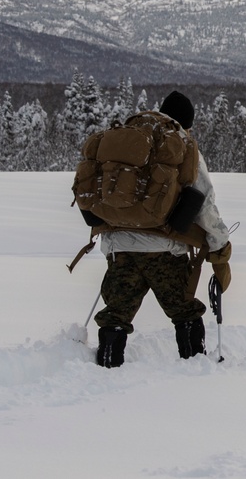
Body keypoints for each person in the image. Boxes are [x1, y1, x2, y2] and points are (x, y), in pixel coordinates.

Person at [92, 91, 232, 367]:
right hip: (163, 249)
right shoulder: (182, 143)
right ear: (186, 123)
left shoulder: (130, 141)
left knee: (116, 314)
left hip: (118, 245)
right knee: (185, 310)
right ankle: (195, 368)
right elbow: (203, 203)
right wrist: (221, 244)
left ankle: (106, 368)